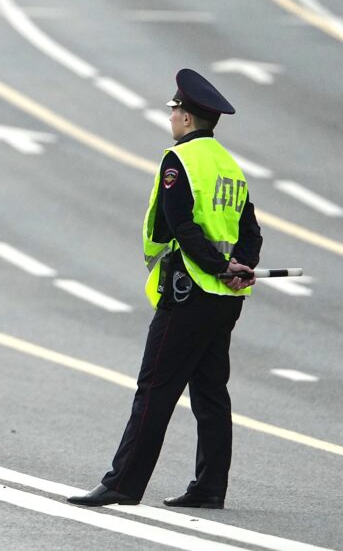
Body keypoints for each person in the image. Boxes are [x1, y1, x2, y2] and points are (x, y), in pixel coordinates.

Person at [67, 68, 262, 509]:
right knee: (211, 393)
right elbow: (251, 231)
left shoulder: (181, 161)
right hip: (225, 298)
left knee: (155, 388)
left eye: (175, 110)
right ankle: (210, 487)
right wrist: (241, 266)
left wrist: (216, 265)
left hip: (189, 289)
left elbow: (181, 226)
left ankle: (122, 483)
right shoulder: (230, 166)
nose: (171, 116)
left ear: (187, 118)